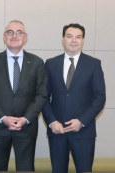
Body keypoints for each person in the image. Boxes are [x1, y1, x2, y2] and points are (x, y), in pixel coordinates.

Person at [0, 20, 47, 172]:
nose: (14, 36)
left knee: (26, 169)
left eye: (19, 32)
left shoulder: (37, 63)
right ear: (4, 36)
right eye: (10, 32)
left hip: (26, 128)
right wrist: (3, 118)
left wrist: (25, 119)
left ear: (25, 37)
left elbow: (42, 95)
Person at [42, 23, 106, 173]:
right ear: (63, 39)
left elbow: (100, 98)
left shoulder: (93, 64)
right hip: (57, 132)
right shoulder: (51, 64)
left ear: (83, 40)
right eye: (69, 36)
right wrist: (51, 121)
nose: (74, 40)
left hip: (83, 132)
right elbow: (43, 97)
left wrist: (82, 121)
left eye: (78, 37)